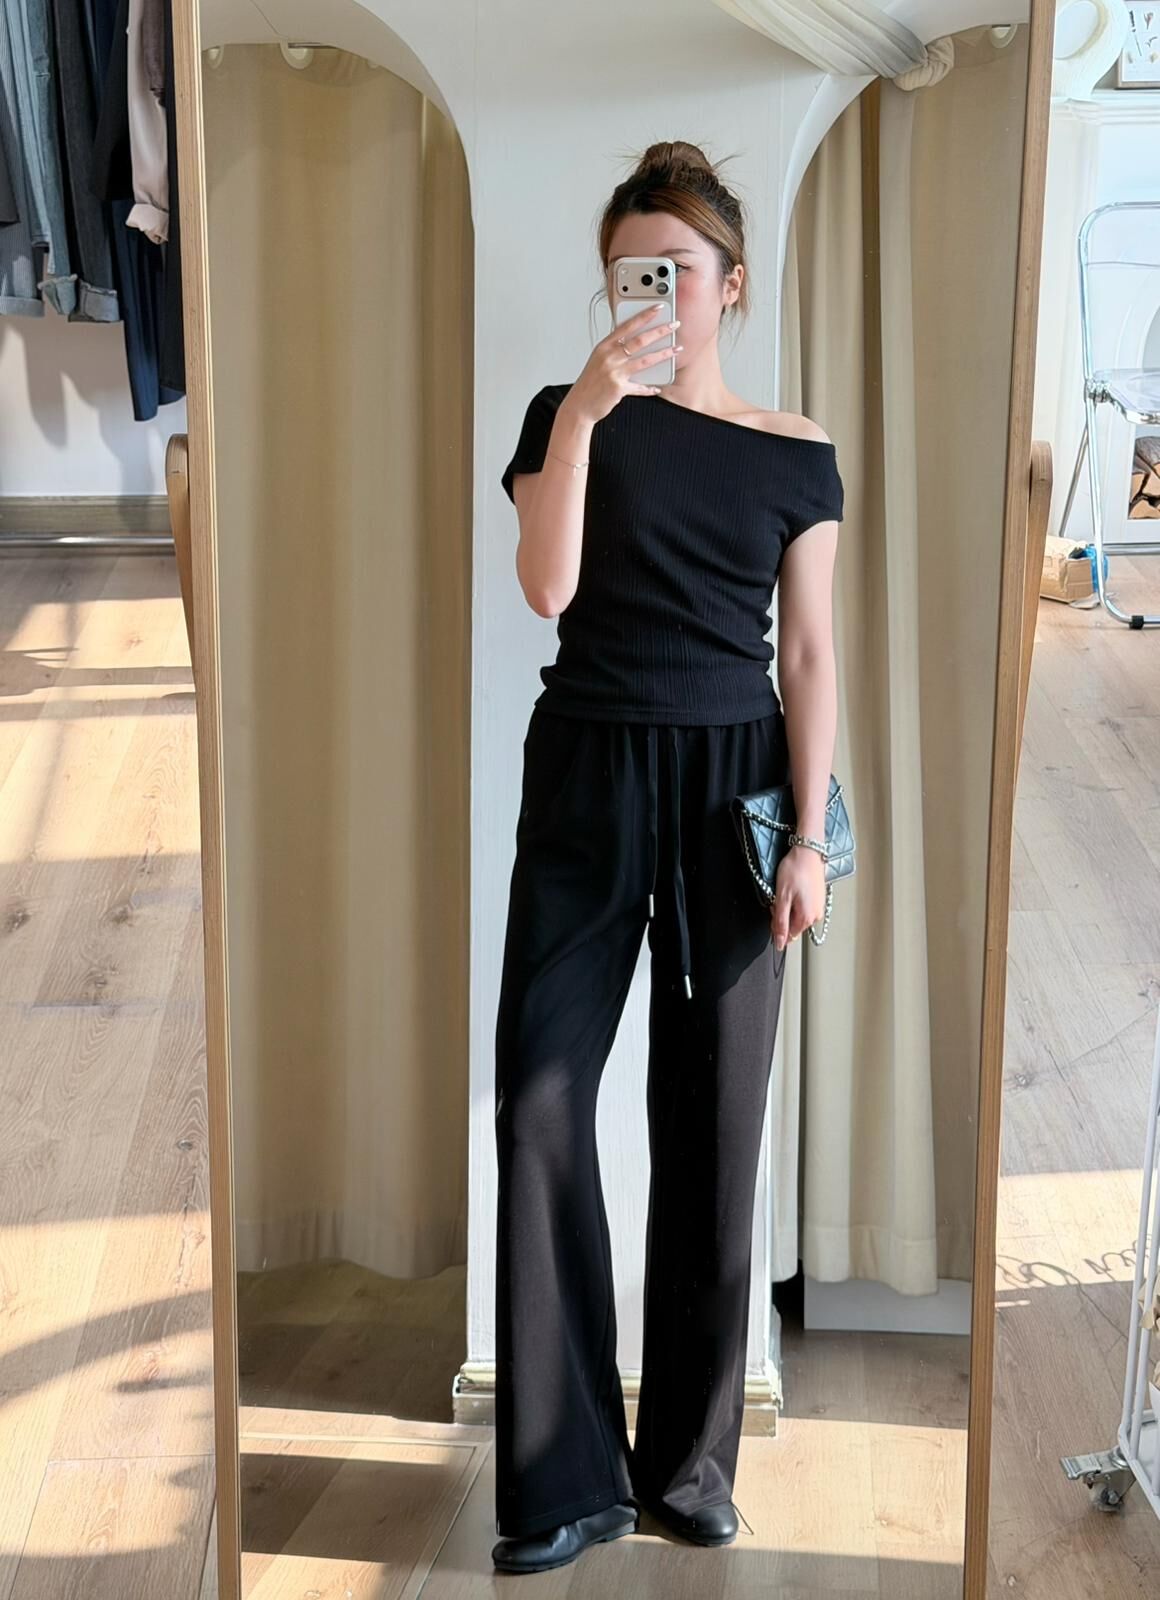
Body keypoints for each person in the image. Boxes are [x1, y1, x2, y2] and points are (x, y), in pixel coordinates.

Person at [491, 139, 844, 1576]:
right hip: (588, 770)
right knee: (539, 1100)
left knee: (713, 1126)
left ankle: (688, 1469)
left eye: (680, 270)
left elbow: (809, 654)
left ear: (732, 285)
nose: (656, 294)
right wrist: (585, 411)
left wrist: (808, 836)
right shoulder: (562, 415)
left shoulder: (794, 451)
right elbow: (547, 587)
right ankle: (561, 1479)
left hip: (731, 787)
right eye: (631, 273)